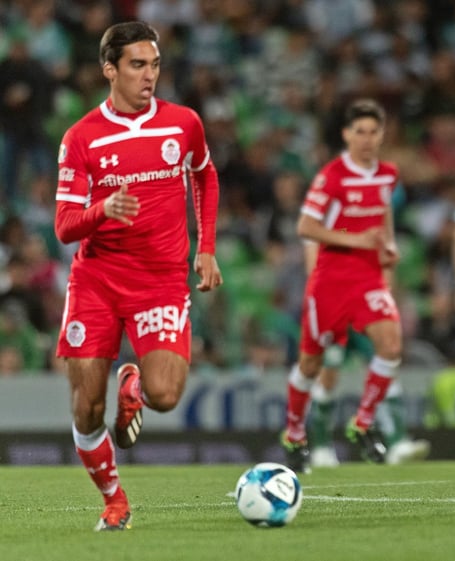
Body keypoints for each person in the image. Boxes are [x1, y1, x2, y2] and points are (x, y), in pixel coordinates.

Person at [53, 21, 223, 531]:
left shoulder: (182, 123)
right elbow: (64, 226)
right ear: (110, 70)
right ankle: (114, 500)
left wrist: (207, 247)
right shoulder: (81, 138)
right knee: (86, 408)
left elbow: (205, 175)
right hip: (98, 280)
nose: (149, 76)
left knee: (166, 396)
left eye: (154, 65)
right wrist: (104, 208)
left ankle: (137, 387)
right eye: (137, 65)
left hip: (161, 279)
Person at [281, 98, 402, 474]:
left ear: (381, 135)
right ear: (347, 135)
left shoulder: (387, 174)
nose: (366, 139)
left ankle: (362, 423)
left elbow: (382, 210)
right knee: (311, 363)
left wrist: (387, 244)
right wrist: (356, 239)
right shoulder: (332, 176)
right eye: (359, 132)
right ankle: (295, 433)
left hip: (368, 278)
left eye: (373, 132)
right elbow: (306, 227)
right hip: (331, 279)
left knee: (392, 345)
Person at [300, 240, 430, 468]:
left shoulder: (367, 224)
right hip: (335, 310)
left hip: (364, 310)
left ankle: (397, 442)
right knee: (328, 376)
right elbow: (314, 269)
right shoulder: (323, 224)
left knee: (386, 364)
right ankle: (321, 448)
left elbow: (384, 267)